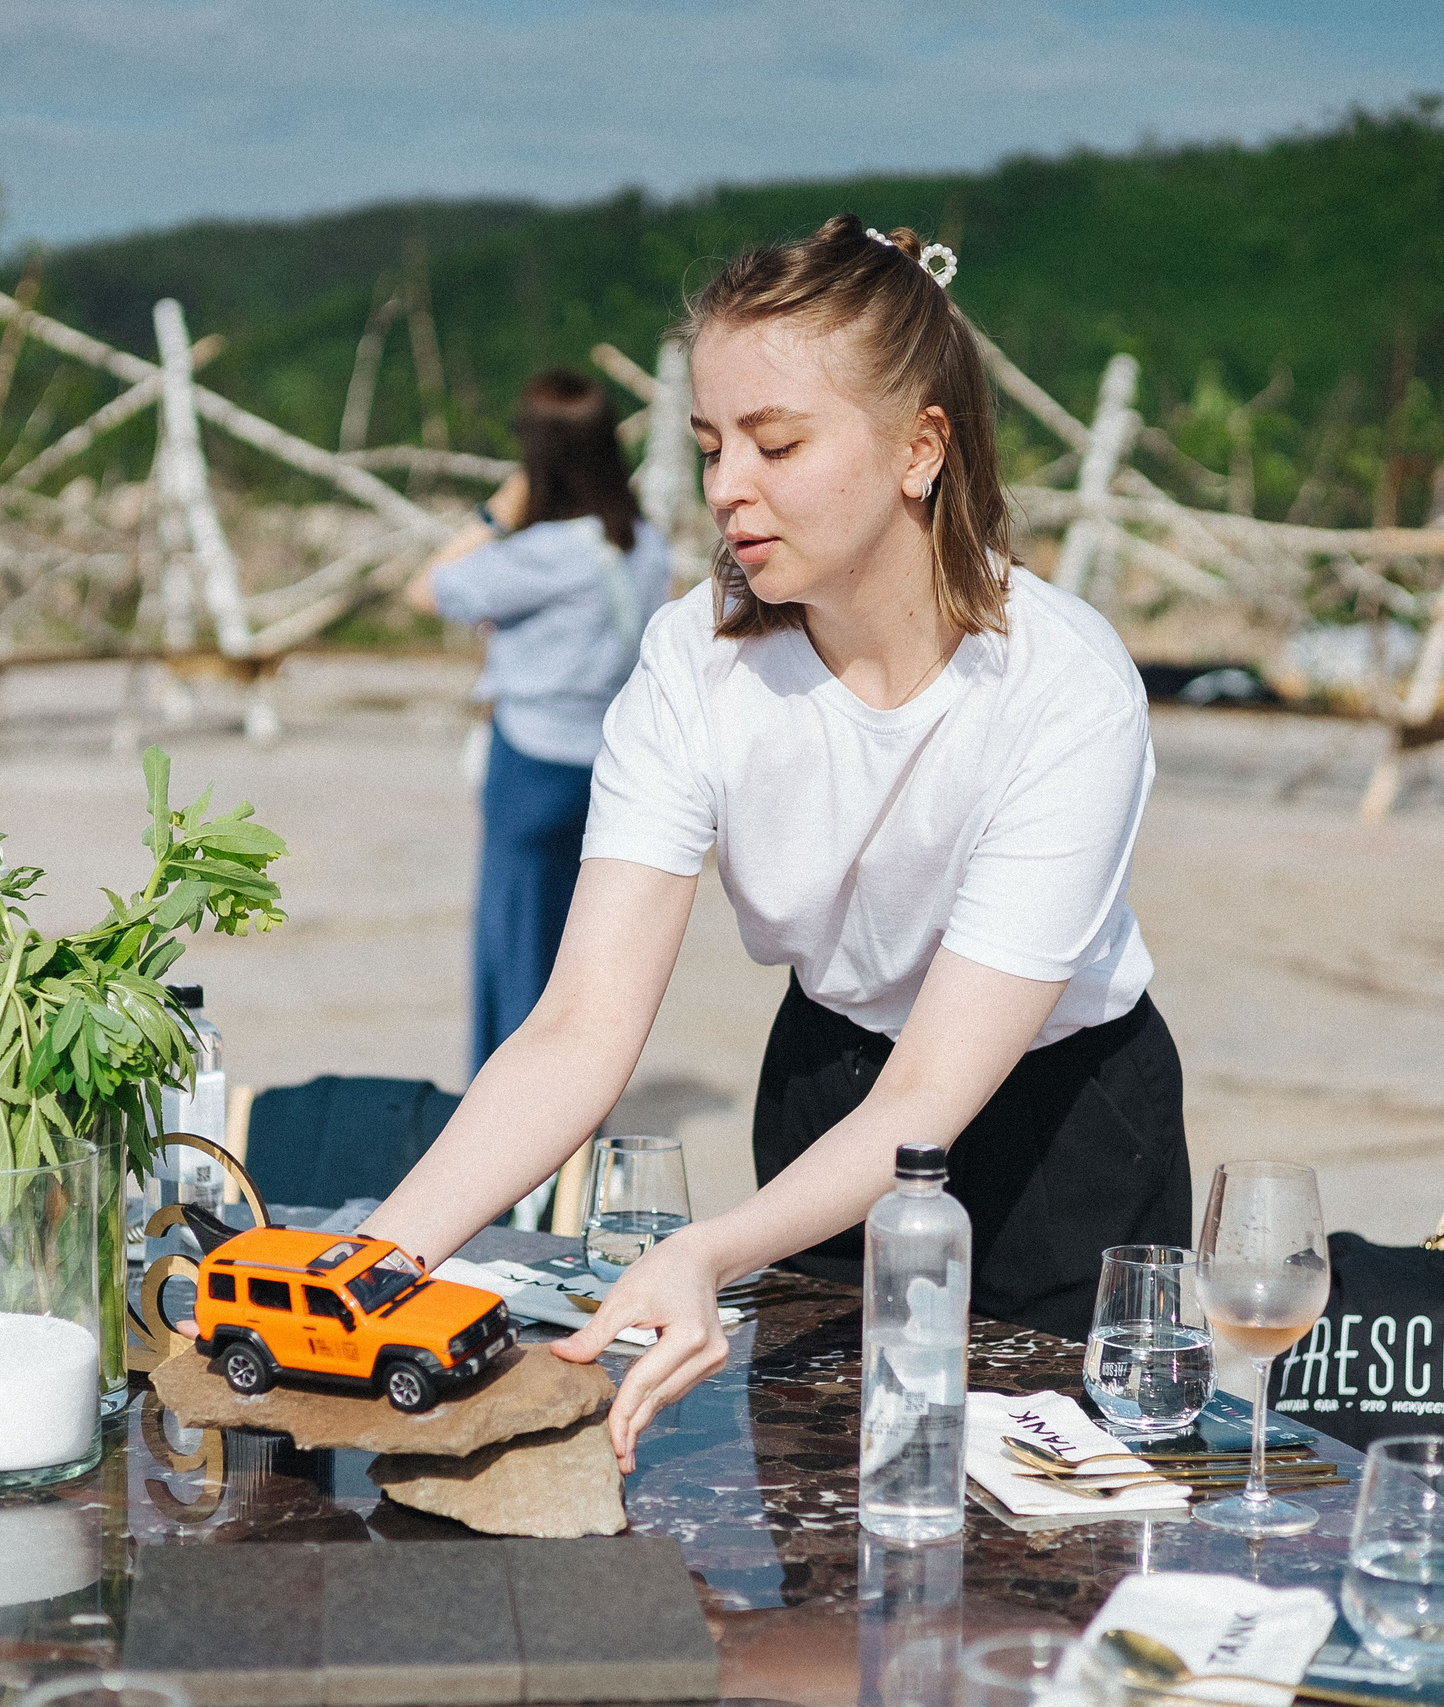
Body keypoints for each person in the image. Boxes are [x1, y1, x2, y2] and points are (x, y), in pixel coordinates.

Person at [365, 218, 1189, 1469]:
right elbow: (579, 1026)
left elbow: (932, 1098)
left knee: (1043, 1578)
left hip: (1059, 1131)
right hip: (827, 1090)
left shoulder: (1060, 687)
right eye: (709, 446)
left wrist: (703, 1247)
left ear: (920, 448)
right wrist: (374, 1262)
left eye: (778, 443)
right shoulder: (693, 661)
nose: (724, 489)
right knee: (817, 1538)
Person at [405, 370, 672, 1075]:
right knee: (586, 957)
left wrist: (498, 513)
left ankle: (512, 1138)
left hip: (528, 764)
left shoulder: (540, 554)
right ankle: (577, 1118)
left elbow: (425, 587)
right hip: (609, 768)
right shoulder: (644, 545)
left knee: (514, 954)